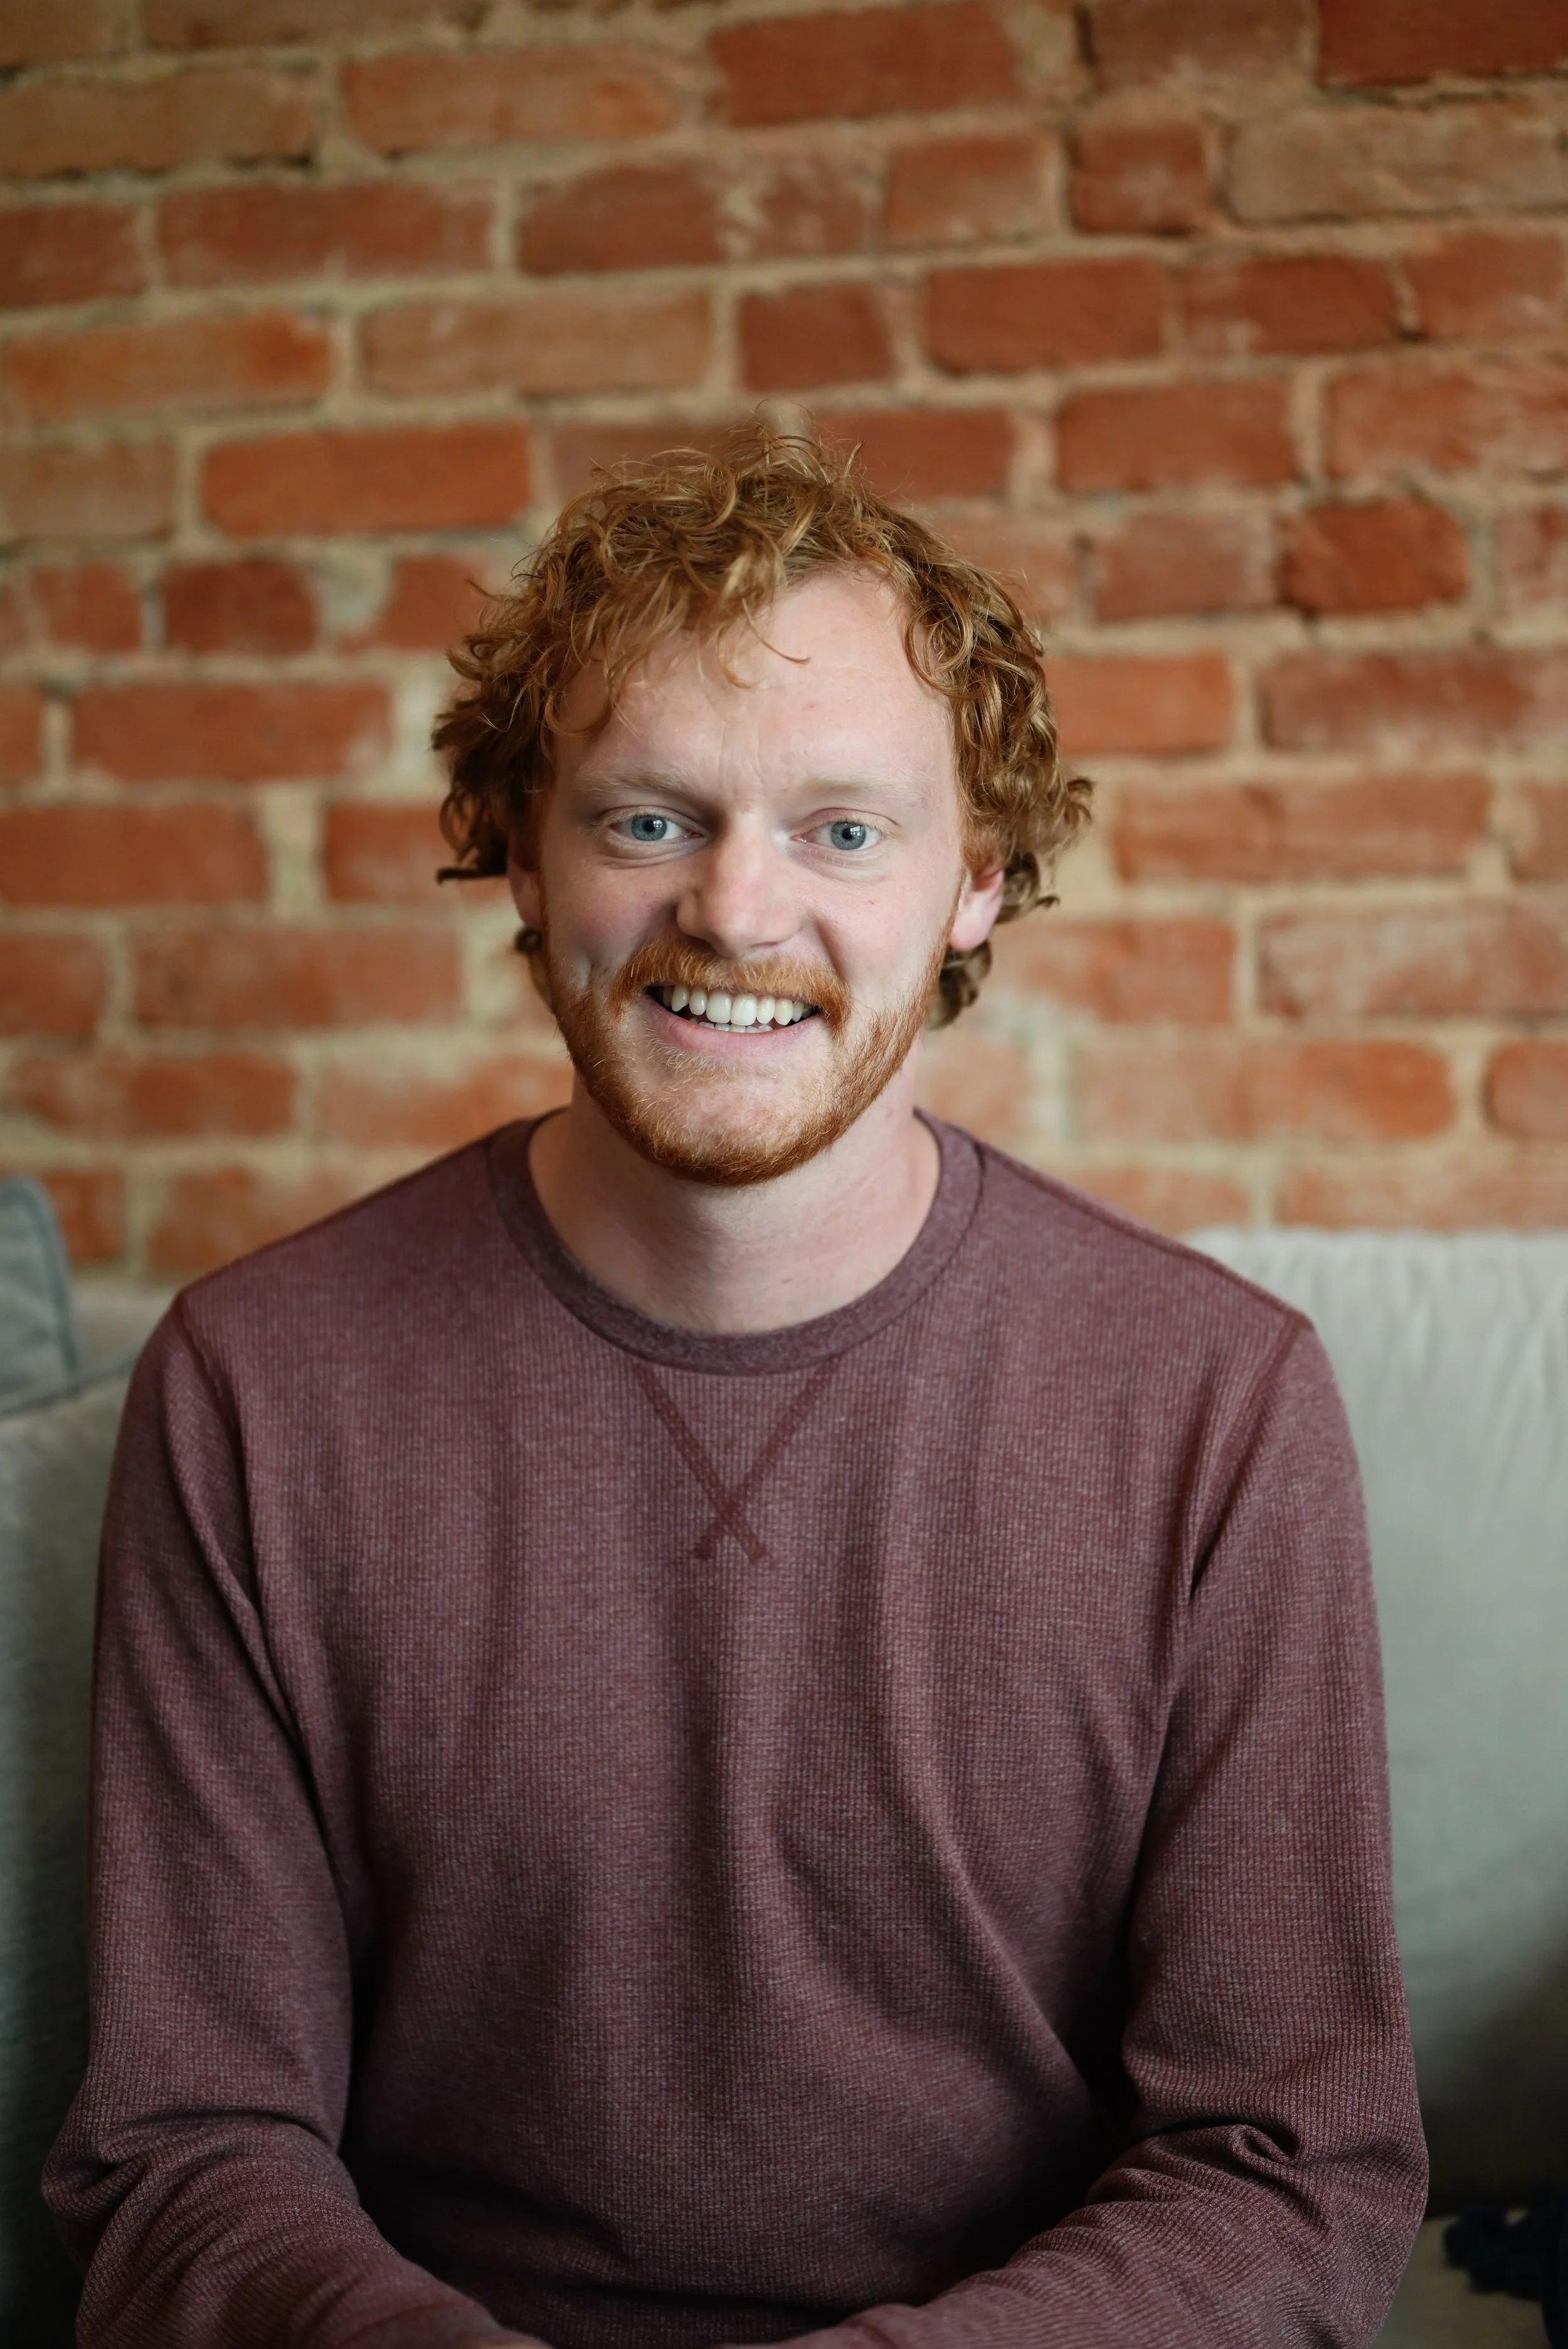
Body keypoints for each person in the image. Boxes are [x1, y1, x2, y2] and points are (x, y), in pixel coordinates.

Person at [45, 425, 1426, 2348]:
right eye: (647, 818)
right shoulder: (258, 1387)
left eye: (842, 830)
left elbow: (1290, 2164)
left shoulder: (1217, 1405)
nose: (737, 912)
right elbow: (184, 2151)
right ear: (521, 848)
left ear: (977, 882)